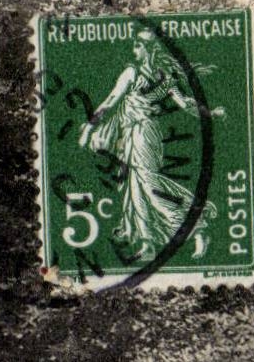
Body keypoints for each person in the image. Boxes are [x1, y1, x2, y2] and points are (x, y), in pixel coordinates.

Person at [79, 28, 220, 261]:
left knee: (148, 184)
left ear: (147, 49)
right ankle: (147, 244)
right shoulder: (164, 76)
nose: (134, 49)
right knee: (134, 185)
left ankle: (195, 224)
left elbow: (111, 101)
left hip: (142, 133)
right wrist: (209, 113)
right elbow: (185, 103)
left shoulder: (132, 72)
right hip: (137, 133)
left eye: (137, 45)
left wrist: (90, 126)